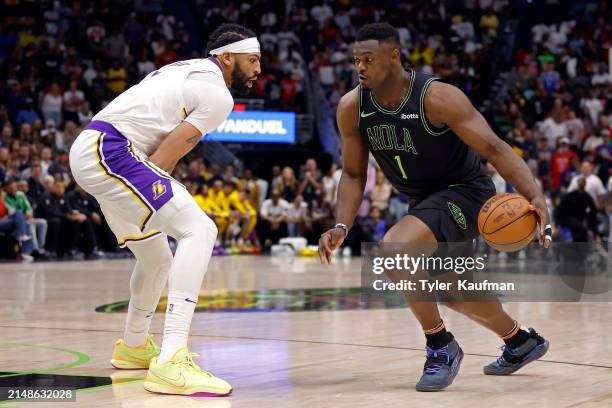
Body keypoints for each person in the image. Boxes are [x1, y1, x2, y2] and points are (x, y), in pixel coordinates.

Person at [318, 23, 551, 392]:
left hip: (466, 191)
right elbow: (351, 173)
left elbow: (493, 147)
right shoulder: (352, 107)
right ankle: (521, 341)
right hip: (423, 199)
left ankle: (440, 346)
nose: (360, 68)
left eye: (369, 59)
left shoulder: (437, 97)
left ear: (394, 56)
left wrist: (534, 194)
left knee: (394, 251)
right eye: (356, 60)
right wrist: (342, 225)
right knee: (454, 291)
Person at [69, 24, 261, 396]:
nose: (258, 69)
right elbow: (163, 159)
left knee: (156, 257)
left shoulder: (185, 68)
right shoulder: (217, 94)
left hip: (96, 148)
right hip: (113, 151)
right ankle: (173, 358)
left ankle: (134, 346)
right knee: (200, 229)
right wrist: (166, 202)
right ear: (226, 58)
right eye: (251, 60)